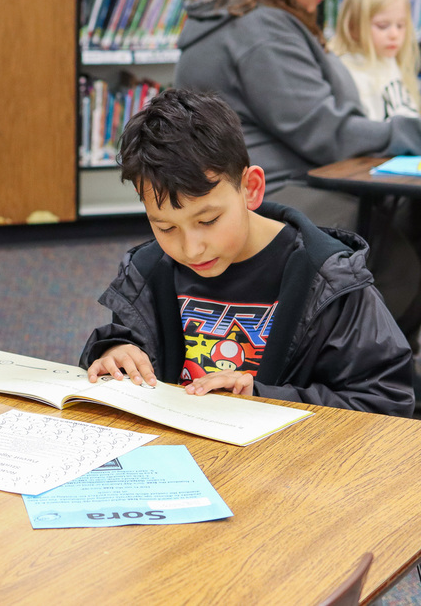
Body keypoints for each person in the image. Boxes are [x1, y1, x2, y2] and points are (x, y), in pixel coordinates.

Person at [80, 89, 414, 417]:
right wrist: (114, 352)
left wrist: (262, 398)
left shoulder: (331, 282)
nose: (191, 248)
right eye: (166, 228)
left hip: (287, 464)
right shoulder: (148, 272)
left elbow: (384, 403)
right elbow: (129, 345)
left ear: (250, 189)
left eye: (208, 220)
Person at [173, 0, 421, 350]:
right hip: (269, 191)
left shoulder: (253, 18)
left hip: (263, 182)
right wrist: (407, 132)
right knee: (400, 257)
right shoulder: (261, 32)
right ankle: (365, 361)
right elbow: (324, 131)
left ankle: (380, 357)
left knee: (406, 220)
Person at [330, 0, 421, 121]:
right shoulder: (349, 72)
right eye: (382, 26)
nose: (394, 34)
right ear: (353, 27)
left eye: (401, 25)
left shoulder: (388, 59)